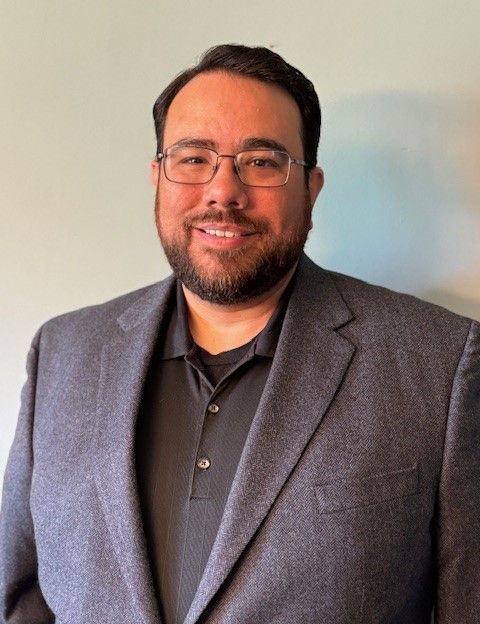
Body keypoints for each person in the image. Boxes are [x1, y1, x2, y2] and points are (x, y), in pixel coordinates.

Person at [0, 44, 478, 624]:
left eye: (261, 162)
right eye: (193, 158)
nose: (223, 191)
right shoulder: (62, 353)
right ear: (157, 178)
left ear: (311, 188)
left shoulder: (440, 363)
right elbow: (21, 597)